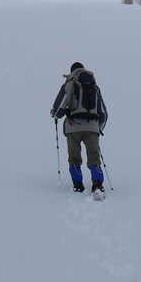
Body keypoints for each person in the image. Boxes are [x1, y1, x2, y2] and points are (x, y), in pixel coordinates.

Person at [50, 62, 108, 194]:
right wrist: (98, 129)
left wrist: (54, 114)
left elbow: (59, 110)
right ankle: (97, 183)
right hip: (92, 127)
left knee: (74, 157)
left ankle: (77, 184)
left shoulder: (68, 85)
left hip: (72, 128)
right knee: (94, 156)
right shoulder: (94, 87)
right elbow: (103, 113)